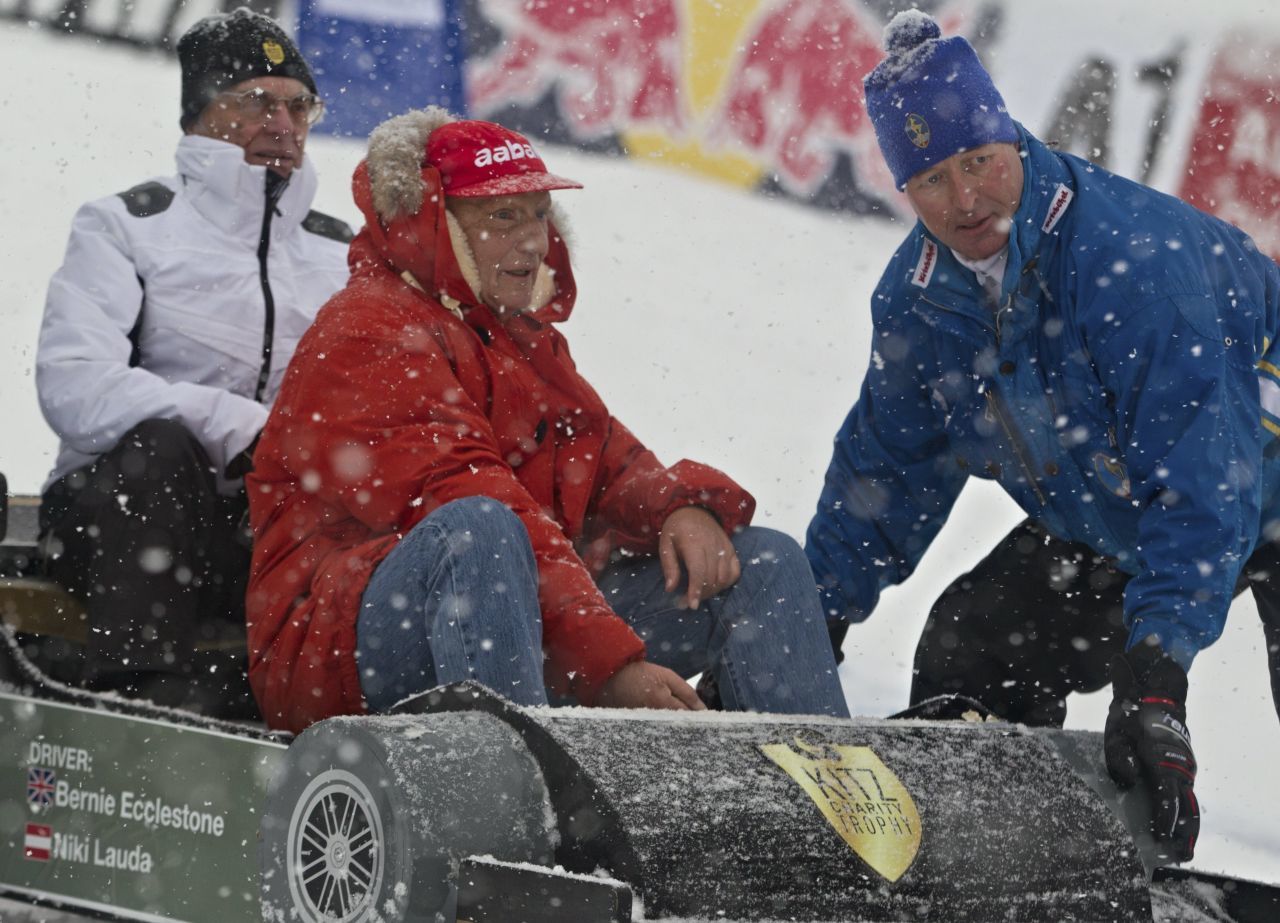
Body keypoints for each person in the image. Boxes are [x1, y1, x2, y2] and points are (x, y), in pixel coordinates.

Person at [806, 10, 1280, 863]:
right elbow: (886, 469)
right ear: (902, 191)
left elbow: (1203, 479)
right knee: (973, 648)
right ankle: (1012, 876)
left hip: (1253, 471)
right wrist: (815, 616)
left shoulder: (1132, 261)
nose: (966, 201)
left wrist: (1156, 672)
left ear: (1012, 142)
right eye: (932, 182)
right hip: (1124, 502)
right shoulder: (920, 300)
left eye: (979, 163)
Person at [245, 107, 849, 734]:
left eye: (538, 213)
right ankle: (519, 802)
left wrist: (681, 506)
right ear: (435, 225)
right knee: (479, 532)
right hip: (335, 656)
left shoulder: (514, 335)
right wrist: (610, 670)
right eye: (503, 216)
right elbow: (475, 498)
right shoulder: (367, 331)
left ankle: (828, 804)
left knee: (761, 565)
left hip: (512, 623)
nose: (533, 240)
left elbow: (603, 456)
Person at [34, 8, 352, 715]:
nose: (283, 122)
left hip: (257, 530)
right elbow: (75, 385)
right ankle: (139, 703)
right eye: (256, 102)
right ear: (200, 115)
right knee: (162, 447)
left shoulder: (340, 251)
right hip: (118, 524)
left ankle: (331, 718)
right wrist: (247, 429)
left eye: (299, 104)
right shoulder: (126, 224)